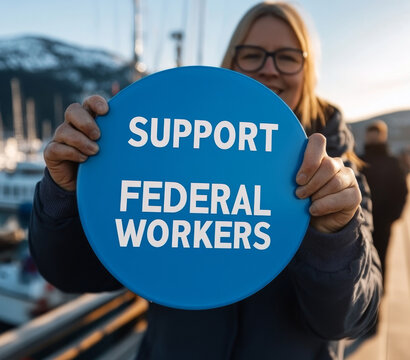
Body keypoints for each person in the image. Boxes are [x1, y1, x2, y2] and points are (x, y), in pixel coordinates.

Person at [29, 2, 382, 359]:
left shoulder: (340, 176)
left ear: (308, 71)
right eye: (253, 54)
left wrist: (333, 236)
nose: (270, 69)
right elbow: (73, 273)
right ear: (231, 62)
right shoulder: (172, 153)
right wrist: (67, 193)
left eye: (288, 57)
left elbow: (351, 319)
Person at [361, 120, 408, 286]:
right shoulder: (359, 161)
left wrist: (392, 217)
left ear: (383, 136)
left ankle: (378, 300)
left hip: (382, 223)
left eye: (376, 135)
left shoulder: (392, 163)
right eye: (370, 135)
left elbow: (401, 191)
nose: (372, 138)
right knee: (359, 263)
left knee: (380, 261)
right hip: (359, 223)